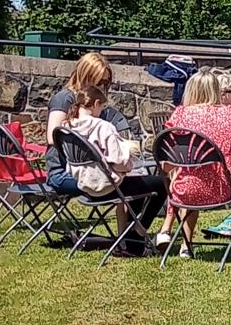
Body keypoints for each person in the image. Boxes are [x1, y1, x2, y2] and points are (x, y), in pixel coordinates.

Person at [45, 85, 167, 255]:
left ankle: (132, 242)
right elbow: (119, 162)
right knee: (161, 184)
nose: (102, 111)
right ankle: (138, 232)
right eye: (102, 107)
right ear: (95, 104)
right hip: (107, 186)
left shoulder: (65, 128)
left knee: (138, 187)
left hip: (82, 185)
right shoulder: (103, 127)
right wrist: (129, 159)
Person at [154, 69, 231, 257]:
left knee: (188, 177)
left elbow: (167, 158)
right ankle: (184, 245)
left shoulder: (180, 115)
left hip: (188, 190)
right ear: (216, 90)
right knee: (194, 176)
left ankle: (182, 243)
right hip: (227, 187)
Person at [45, 53, 136, 185]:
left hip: (93, 172)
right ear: (86, 77)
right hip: (64, 173)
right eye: (99, 82)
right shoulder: (64, 99)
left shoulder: (94, 103)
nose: (102, 88)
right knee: (150, 186)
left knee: (143, 182)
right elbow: (52, 137)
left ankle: (121, 206)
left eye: (106, 83)